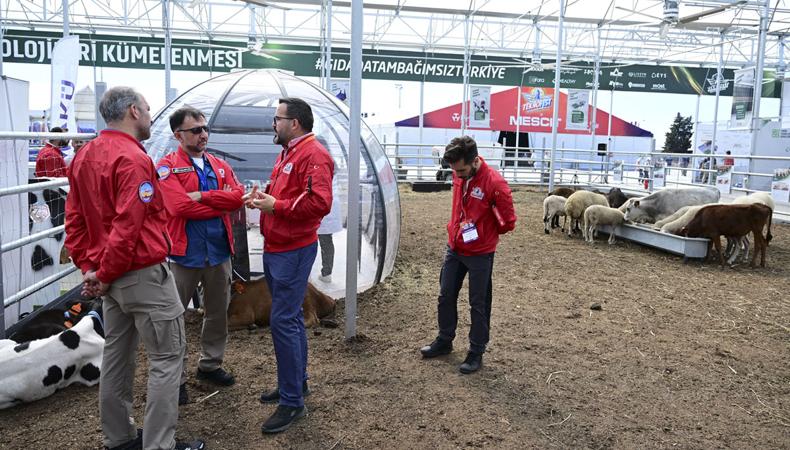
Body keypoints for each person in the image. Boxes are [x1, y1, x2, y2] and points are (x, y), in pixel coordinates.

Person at [64, 86, 204, 450]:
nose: (151, 115)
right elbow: (129, 226)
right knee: (167, 359)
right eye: (147, 109)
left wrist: (91, 270)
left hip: (110, 281)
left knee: (116, 358)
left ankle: (119, 437)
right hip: (140, 276)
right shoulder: (134, 159)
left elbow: (75, 221)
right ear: (132, 111)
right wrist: (104, 273)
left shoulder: (85, 155)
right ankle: (159, 444)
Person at [244, 97, 334, 434]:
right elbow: (288, 194)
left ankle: (293, 400)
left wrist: (276, 205)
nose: (273, 123)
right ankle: (294, 384)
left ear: (293, 123)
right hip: (280, 246)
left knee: (284, 320)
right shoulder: (290, 153)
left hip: (292, 250)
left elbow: (319, 202)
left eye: (277, 118)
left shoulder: (314, 155)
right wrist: (264, 198)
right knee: (288, 319)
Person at [156, 106, 245, 405]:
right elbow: (178, 207)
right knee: (173, 318)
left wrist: (205, 197)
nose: (203, 134)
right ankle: (175, 378)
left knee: (218, 312)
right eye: (196, 130)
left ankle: (210, 365)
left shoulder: (219, 165)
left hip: (219, 253)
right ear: (177, 135)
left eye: (205, 129)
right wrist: (220, 203)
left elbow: (238, 198)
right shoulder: (167, 167)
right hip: (183, 256)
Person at [419, 136, 517, 375]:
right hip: (455, 246)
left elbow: (508, 223)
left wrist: (484, 225)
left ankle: (476, 350)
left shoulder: (495, 183)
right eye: (454, 170)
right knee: (445, 295)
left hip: (480, 252)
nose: (457, 174)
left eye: (461, 170)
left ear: (474, 161)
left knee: (479, 302)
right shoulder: (458, 174)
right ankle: (444, 339)